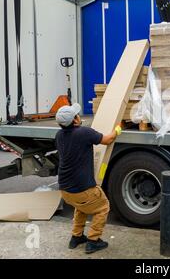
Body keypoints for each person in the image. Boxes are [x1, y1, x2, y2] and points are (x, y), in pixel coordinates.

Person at [55, 103, 122, 254]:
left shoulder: (59, 135)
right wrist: (117, 130)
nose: (79, 116)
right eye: (76, 115)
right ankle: (93, 240)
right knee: (103, 207)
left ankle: (76, 237)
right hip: (83, 189)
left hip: (65, 190)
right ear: (75, 120)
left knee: (81, 207)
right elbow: (107, 140)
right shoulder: (84, 133)